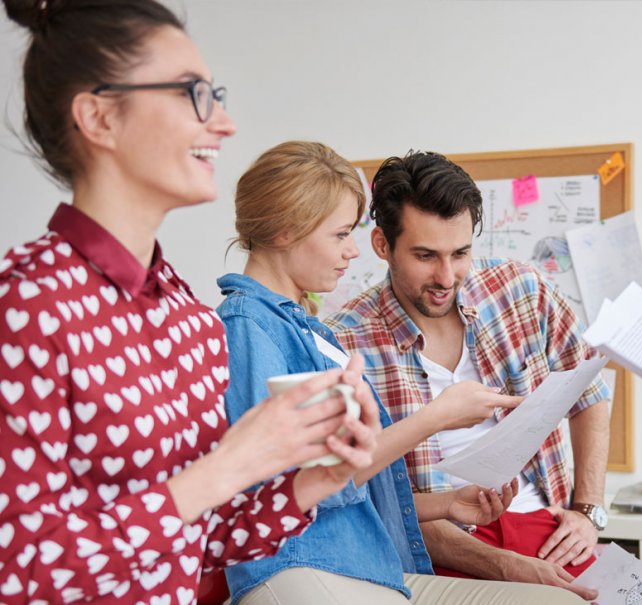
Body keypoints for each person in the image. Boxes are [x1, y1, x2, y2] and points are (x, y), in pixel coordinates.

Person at [0, 1, 382, 603]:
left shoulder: (189, 321)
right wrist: (234, 463)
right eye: (191, 94)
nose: (224, 123)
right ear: (99, 118)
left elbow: (202, 541)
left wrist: (316, 479)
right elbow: (19, 570)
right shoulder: (26, 305)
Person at [218, 140, 590, 605]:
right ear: (286, 232)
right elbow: (299, 487)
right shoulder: (248, 326)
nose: (352, 252)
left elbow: (352, 485)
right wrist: (435, 417)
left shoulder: (305, 330)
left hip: (364, 565)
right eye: (340, 235)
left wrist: (446, 505)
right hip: (307, 568)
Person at [327, 151, 610, 600]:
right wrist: (503, 566)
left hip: (550, 530)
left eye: (460, 253)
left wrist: (587, 509)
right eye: (425, 255)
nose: (446, 276)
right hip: (441, 550)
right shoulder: (344, 343)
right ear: (382, 245)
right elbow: (372, 498)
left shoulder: (523, 289)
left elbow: (590, 392)